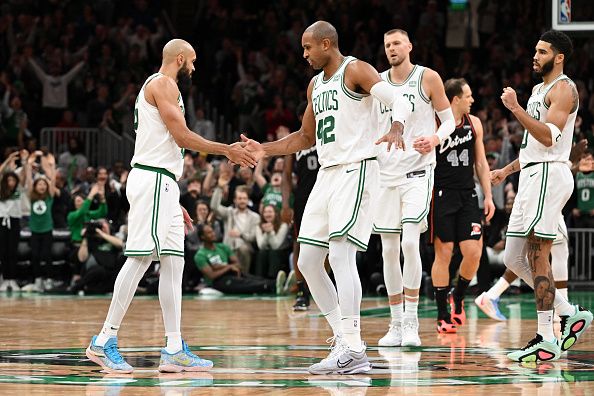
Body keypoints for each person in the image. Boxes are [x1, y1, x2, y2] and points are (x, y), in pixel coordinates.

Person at [242, 21, 409, 375]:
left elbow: (398, 99)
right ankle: (347, 344)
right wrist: (264, 150)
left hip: (357, 168)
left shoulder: (357, 70)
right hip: (327, 173)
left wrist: (397, 126)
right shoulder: (315, 85)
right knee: (307, 261)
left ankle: (352, 346)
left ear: (327, 44)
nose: (304, 55)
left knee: (341, 253)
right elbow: (304, 137)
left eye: (308, 48)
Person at [86, 38, 256, 374]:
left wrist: (172, 198)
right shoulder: (163, 84)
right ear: (180, 58)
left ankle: (174, 347)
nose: (194, 68)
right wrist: (227, 150)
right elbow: (181, 136)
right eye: (192, 61)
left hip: (164, 184)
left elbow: (167, 144)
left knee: (173, 263)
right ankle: (103, 341)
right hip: (152, 180)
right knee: (139, 261)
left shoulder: (165, 87)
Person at [498, 30, 592, 362]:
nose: (534, 56)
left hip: (550, 175)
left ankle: (545, 336)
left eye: (541, 51)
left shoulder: (564, 89)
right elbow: (531, 147)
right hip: (532, 175)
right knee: (512, 257)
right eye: (535, 50)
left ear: (559, 57)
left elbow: (549, 138)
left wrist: (515, 108)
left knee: (539, 254)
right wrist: (506, 172)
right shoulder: (539, 89)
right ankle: (570, 312)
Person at [372, 29, 455, 347]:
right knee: (389, 250)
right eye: (387, 44)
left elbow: (448, 119)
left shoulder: (427, 77)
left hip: (418, 173)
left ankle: (411, 322)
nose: (391, 48)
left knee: (409, 244)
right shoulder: (377, 83)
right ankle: (395, 324)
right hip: (384, 174)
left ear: (409, 46)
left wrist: (435, 138)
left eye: (396, 43)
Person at [475, 139, 588, 321]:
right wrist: (572, 160)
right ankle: (563, 309)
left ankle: (491, 295)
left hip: (539, 189)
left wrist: (504, 171)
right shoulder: (548, 128)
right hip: (542, 191)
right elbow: (547, 162)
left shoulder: (546, 132)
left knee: (524, 255)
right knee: (548, 251)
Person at [428, 78, 495, 333]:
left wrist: (488, 196)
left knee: (473, 252)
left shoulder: (473, 123)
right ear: (455, 99)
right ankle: (442, 313)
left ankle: (458, 294)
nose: (472, 100)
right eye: (468, 96)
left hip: (468, 194)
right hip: (441, 194)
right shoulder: (434, 122)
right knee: (443, 253)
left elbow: (481, 163)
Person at [281, 103, 320, 311]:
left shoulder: (326, 134)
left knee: (330, 246)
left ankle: (323, 286)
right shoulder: (297, 142)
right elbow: (286, 177)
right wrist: (285, 204)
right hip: (303, 198)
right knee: (298, 244)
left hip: (326, 194)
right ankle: (302, 291)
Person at [194, 224, 286, 295]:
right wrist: (229, 267)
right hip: (218, 282)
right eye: (209, 233)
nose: (213, 234)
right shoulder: (200, 255)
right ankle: (275, 286)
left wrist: (220, 267)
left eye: (212, 231)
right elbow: (212, 275)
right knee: (246, 284)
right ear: (202, 237)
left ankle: (281, 284)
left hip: (233, 273)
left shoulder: (222, 247)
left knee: (254, 279)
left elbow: (238, 264)